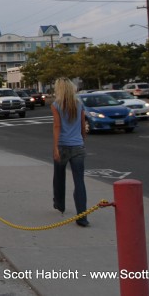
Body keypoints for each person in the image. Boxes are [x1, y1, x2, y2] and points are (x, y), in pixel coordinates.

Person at [51, 78, 89, 227]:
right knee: (79, 181)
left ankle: (59, 204)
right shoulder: (79, 104)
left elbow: (57, 126)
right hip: (78, 145)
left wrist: (55, 147)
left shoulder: (56, 105)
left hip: (62, 145)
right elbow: (82, 125)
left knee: (59, 176)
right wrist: (82, 139)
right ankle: (82, 216)